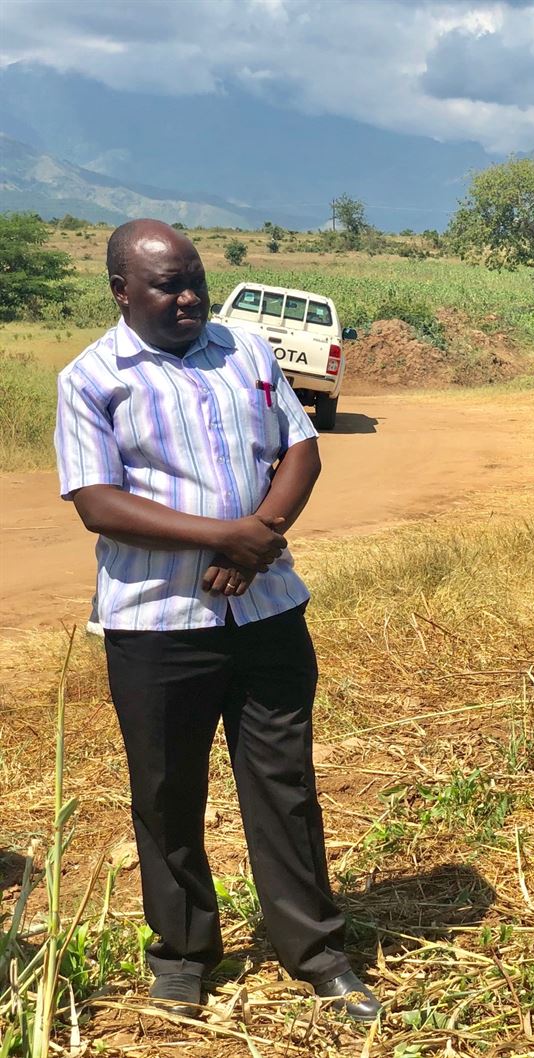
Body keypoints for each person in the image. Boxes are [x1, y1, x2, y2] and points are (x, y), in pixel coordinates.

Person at [53, 220, 380, 1021]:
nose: (189, 296)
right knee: (166, 793)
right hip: (158, 623)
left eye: (195, 278)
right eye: (167, 285)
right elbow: (98, 502)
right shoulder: (91, 378)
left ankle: (315, 950)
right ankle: (183, 954)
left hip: (267, 613)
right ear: (122, 292)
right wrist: (221, 536)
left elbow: (299, 450)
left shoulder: (246, 349)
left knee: (284, 784)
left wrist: (256, 543)